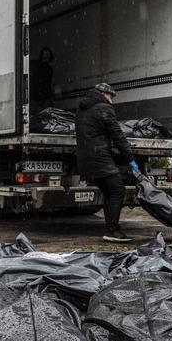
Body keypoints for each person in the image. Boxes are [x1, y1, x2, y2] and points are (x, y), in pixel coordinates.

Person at [76, 82, 140, 243]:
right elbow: (118, 136)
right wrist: (130, 159)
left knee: (109, 191)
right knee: (117, 190)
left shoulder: (82, 109)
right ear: (103, 94)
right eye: (110, 96)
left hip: (85, 159)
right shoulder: (104, 109)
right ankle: (112, 230)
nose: (112, 99)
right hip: (100, 158)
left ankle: (110, 228)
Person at [28, 47, 55, 114]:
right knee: (33, 114)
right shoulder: (35, 64)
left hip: (45, 95)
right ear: (42, 54)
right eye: (45, 54)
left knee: (46, 114)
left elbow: (49, 83)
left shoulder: (49, 69)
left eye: (48, 54)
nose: (46, 56)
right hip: (35, 94)